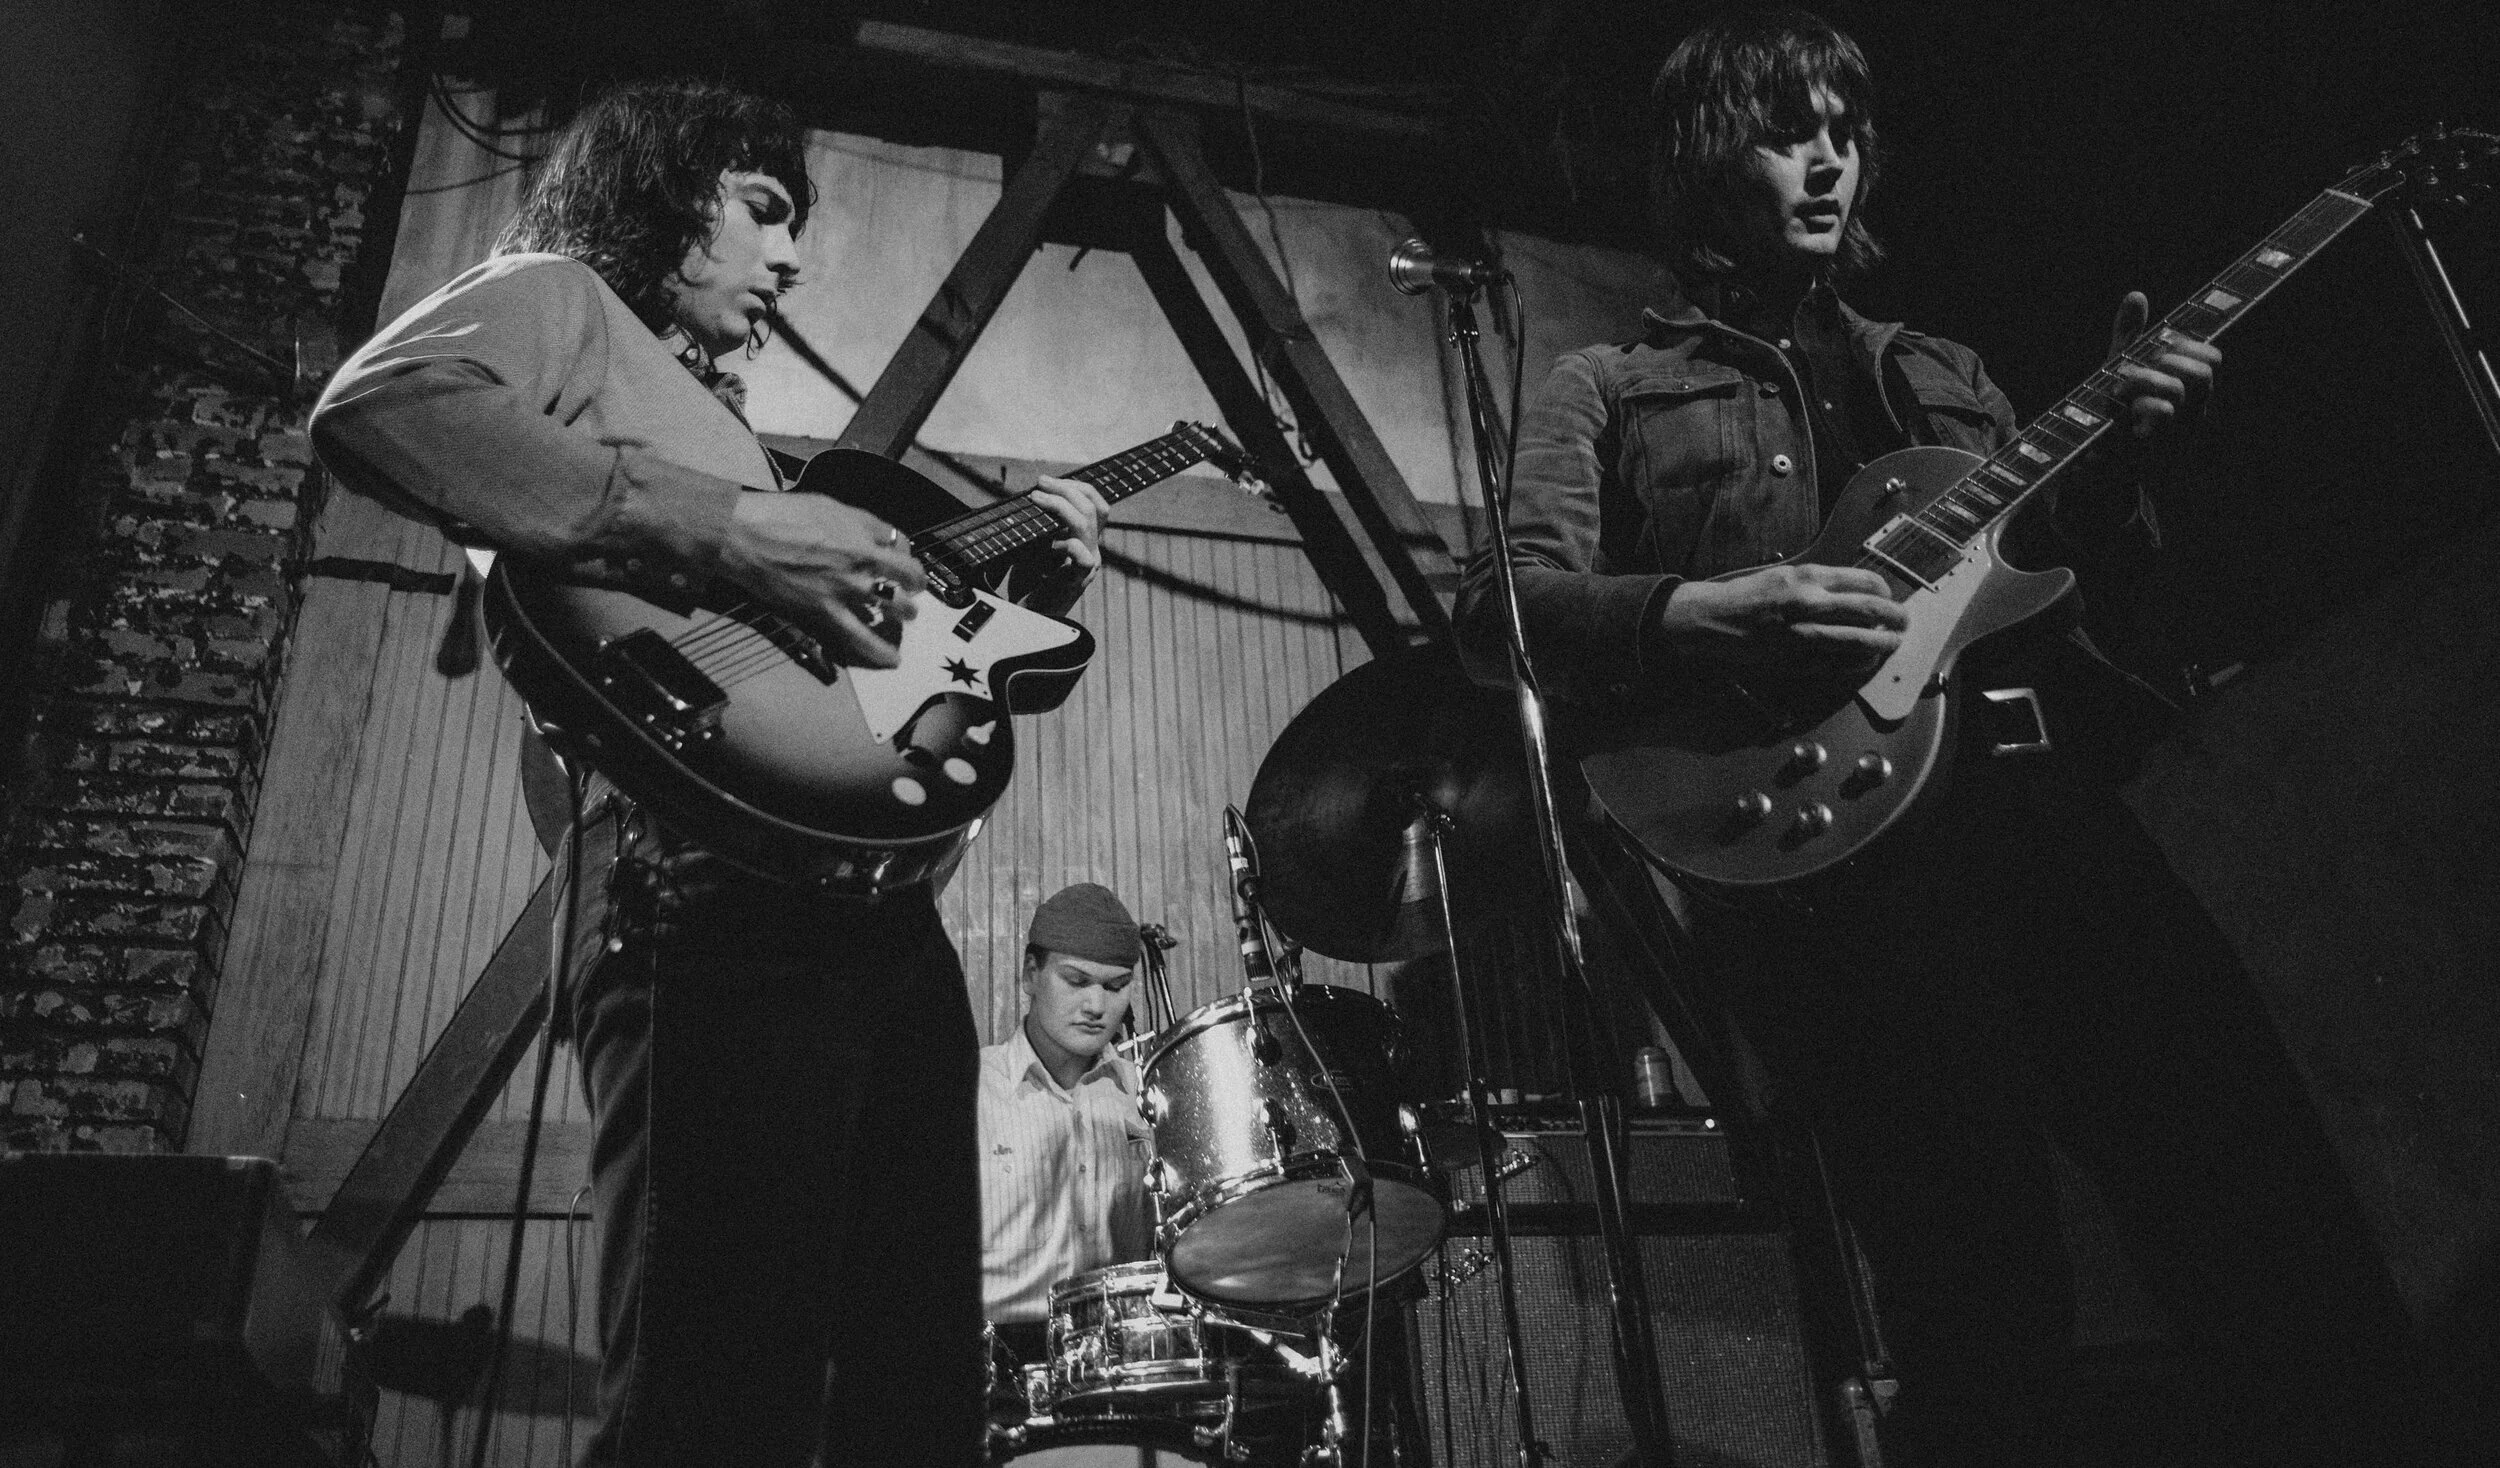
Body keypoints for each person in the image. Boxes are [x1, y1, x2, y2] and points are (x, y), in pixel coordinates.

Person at [1455, 11, 2421, 1467]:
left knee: (2263, 1217)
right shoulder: (1607, 388)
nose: (1829, 160)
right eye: (1788, 132)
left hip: (2043, 810)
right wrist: (1707, 609)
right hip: (1841, 875)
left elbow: (2084, 599)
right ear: (1709, 157)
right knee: (1979, 1300)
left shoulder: (1946, 371)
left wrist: (2118, 470)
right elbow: (1499, 612)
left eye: (1845, 130)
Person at [311, 80, 1112, 1467]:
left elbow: (840, 714)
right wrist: (729, 526)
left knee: (914, 1395)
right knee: (718, 1403)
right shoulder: (562, 299)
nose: (790, 257)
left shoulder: (736, 438)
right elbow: (384, 406)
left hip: (876, 922)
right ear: (663, 194)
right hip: (704, 902)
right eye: (763, 209)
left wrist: (1006, 608)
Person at [977, 884, 1154, 1359]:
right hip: (991, 1362)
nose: (1097, 1006)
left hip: (1117, 1357)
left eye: (1116, 987)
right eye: (1076, 981)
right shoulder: (969, 1091)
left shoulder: (1145, 1095)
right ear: (1030, 974)